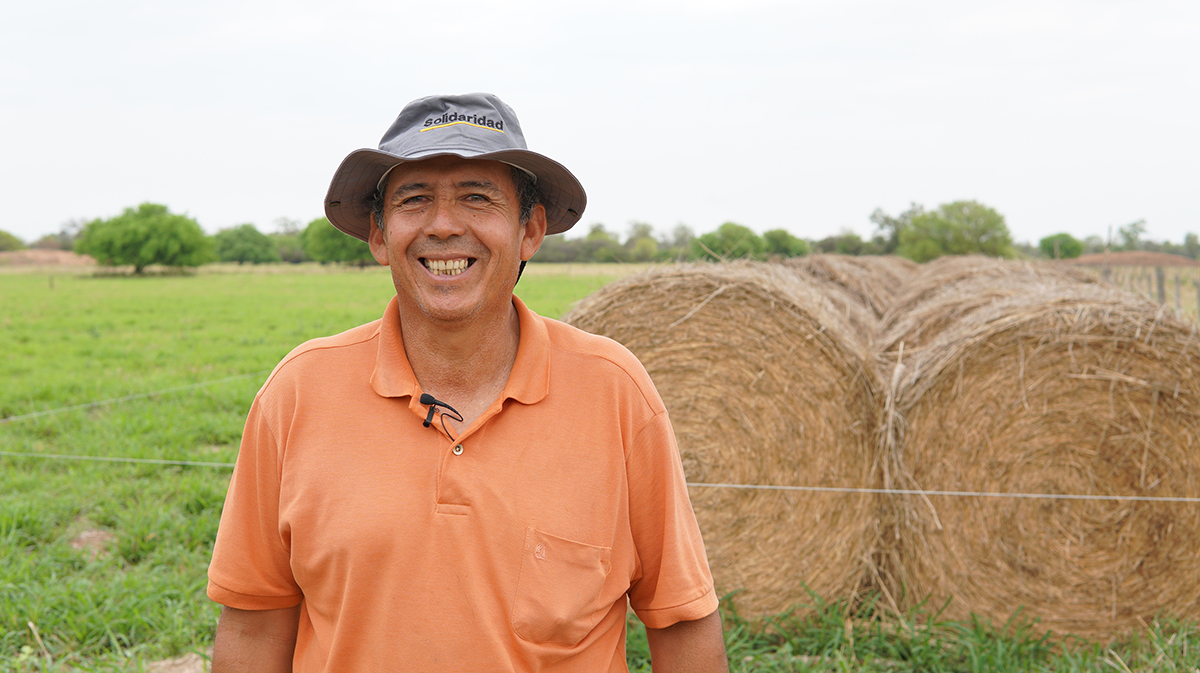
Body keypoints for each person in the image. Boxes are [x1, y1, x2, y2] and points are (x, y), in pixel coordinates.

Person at [207, 92, 727, 672]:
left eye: (478, 198)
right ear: (379, 236)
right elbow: (255, 624)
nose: (445, 225)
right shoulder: (298, 393)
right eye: (415, 199)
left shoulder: (615, 393)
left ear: (530, 231)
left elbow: (680, 620)